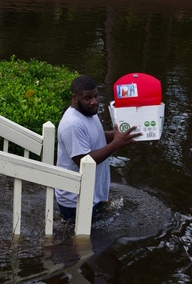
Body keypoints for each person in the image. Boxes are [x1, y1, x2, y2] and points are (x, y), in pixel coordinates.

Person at [55, 75, 139, 221]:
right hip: (76, 200)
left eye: (96, 96)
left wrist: (119, 135)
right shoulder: (72, 124)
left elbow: (97, 137)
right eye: (87, 98)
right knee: (86, 240)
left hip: (91, 194)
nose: (94, 102)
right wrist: (116, 144)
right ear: (74, 98)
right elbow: (83, 161)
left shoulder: (89, 113)